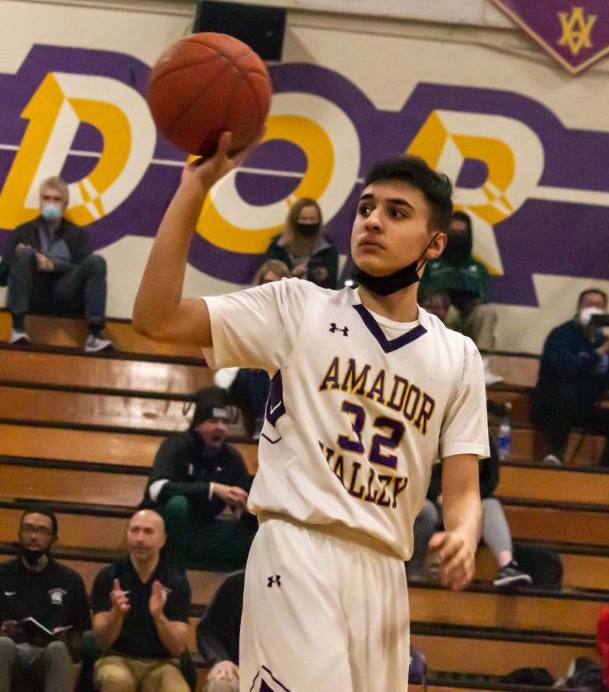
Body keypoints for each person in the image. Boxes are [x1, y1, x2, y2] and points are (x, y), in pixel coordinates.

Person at [132, 137, 489, 692]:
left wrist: (464, 534)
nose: (372, 222)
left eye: (397, 214)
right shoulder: (298, 307)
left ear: (435, 243)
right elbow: (155, 317)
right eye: (367, 208)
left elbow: (464, 484)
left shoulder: (458, 355)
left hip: (384, 572)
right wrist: (192, 191)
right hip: (296, 551)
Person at [142, 386, 256, 571]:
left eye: (225, 422)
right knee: (178, 504)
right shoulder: (176, 445)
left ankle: (237, 586)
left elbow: (247, 497)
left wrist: (245, 507)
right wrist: (213, 489)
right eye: (213, 421)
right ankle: (172, 575)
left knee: (255, 532)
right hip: (165, 531)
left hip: (201, 533)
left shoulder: (231, 457)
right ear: (198, 424)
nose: (220, 426)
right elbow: (156, 489)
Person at [0, 176, 112, 351]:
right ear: (40, 202)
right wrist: (20, 256)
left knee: (97, 261)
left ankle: (94, 336)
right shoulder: (23, 232)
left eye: (56, 199)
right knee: (23, 253)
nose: (51, 203)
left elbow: (83, 269)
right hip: (32, 293)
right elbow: (3, 277)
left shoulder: (78, 235)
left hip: (64, 293)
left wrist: (53, 265)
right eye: (46, 198)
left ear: (65, 205)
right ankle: (18, 328)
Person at [531, 289, 609, 467]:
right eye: (588, 305)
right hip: (552, 405)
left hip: (585, 407)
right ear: (578, 308)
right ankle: (556, 454)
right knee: (567, 391)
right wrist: (602, 351)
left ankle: (607, 470)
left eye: (598, 306)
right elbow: (567, 371)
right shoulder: (562, 334)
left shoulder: (604, 339)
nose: (593, 309)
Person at [91, 509, 191, 692]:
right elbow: (102, 642)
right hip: (116, 659)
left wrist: (159, 616)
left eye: (148, 531)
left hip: (162, 665)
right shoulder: (108, 577)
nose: (139, 538)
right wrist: (116, 613)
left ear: (162, 540)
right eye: (134, 530)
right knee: (117, 680)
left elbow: (177, 648)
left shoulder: (176, 581)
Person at [409, 440, 532, 588]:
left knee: (490, 505)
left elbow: (491, 479)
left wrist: (470, 501)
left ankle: (507, 565)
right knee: (425, 510)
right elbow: (421, 473)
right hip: (433, 500)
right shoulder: (435, 433)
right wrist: (438, 495)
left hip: (467, 506)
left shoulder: (483, 437)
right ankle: (414, 572)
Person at [0, 508, 91, 692]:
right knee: (2, 644)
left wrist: (68, 642)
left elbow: (81, 638)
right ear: (19, 534)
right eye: (28, 529)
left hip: (47, 655)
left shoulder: (70, 580)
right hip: (10, 652)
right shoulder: (2, 574)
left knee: (58, 649)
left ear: (53, 539)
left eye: (42, 531)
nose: (33, 536)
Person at [215, 261, 289, 437]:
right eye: (266, 282)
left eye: (275, 284)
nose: (270, 288)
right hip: (243, 375)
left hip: (281, 376)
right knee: (258, 373)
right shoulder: (246, 309)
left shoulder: (292, 314)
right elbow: (234, 347)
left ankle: (265, 423)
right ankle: (260, 425)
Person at [419, 210, 496, 351]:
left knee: (487, 312)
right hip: (441, 315)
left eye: (462, 234)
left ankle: (482, 361)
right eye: (453, 233)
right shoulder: (430, 264)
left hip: (468, 315)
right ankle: (443, 358)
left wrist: (473, 302)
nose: (457, 238)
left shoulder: (478, 268)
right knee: (448, 311)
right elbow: (420, 294)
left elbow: (484, 297)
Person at [262, 197, 338, 289]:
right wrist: (292, 276)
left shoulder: (327, 248)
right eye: (304, 219)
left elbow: (331, 284)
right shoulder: (279, 246)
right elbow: (268, 281)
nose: (308, 223)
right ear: (294, 220)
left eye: (312, 219)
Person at [196, 571, 244, 692]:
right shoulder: (236, 583)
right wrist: (221, 660)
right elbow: (208, 631)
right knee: (221, 684)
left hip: (285, 671)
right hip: (238, 669)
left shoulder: (295, 586)